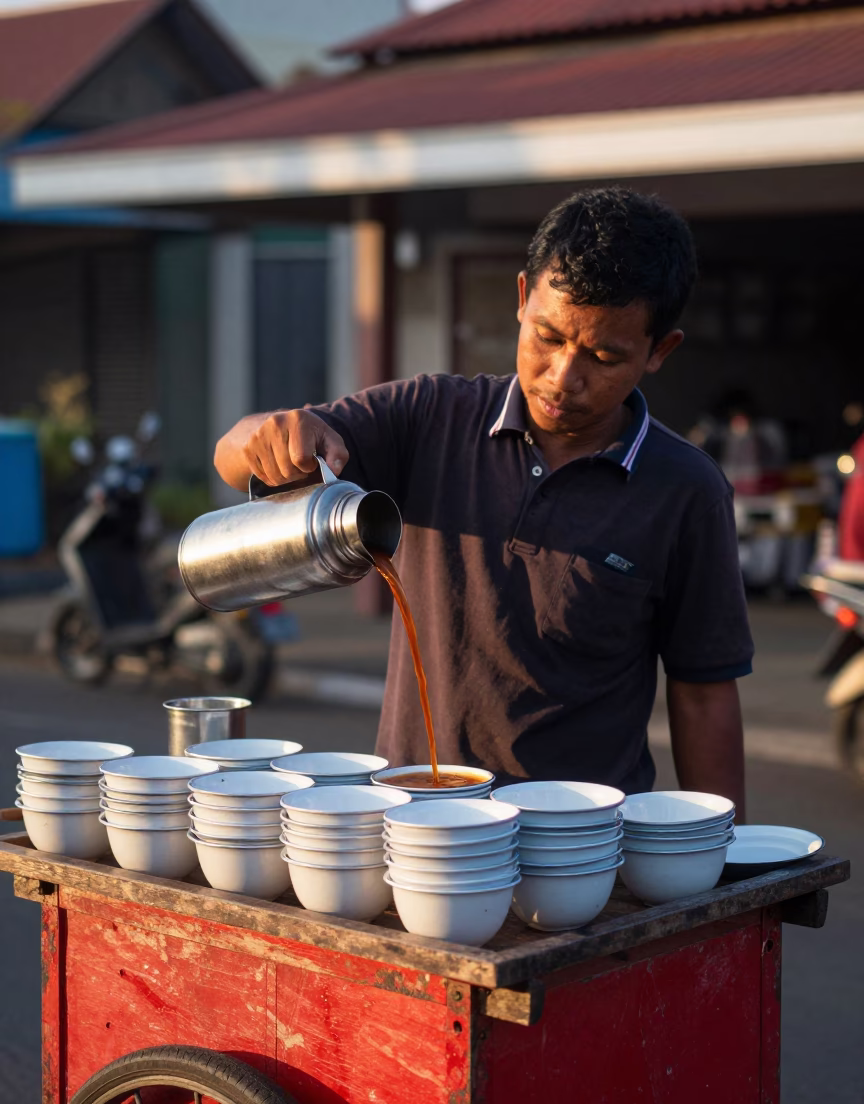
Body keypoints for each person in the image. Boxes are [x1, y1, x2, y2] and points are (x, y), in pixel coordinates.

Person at [215, 187, 752, 815]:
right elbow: (235, 456)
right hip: (417, 823)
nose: (563, 378)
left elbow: (704, 691)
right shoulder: (428, 416)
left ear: (660, 350)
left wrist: (721, 856)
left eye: (604, 356)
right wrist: (268, 435)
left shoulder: (686, 490)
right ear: (523, 299)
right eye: (548, 337)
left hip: (583, 841)